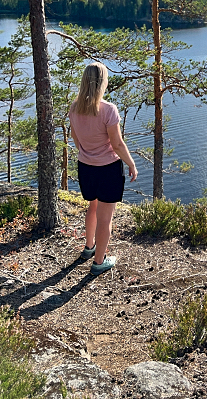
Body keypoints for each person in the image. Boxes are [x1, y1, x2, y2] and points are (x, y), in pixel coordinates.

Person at [69, 62, 138, 275]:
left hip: (85, 167)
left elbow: (75, 137)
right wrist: (131, 163)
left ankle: (89, 248)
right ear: (102, 82)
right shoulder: (108, 110)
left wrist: (87, 152)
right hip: (107, 169)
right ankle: (99, 262)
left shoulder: (74, 107)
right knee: (105, 218)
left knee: (93, 207)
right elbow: (117, 144)